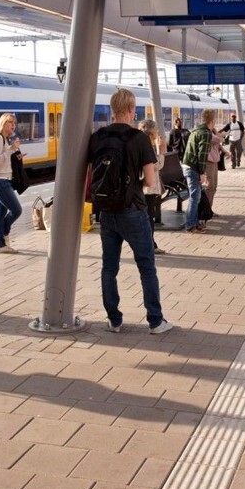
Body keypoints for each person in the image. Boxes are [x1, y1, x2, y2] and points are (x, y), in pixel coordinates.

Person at [88, 89, 172, 334]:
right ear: (131, 110)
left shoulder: (98, 137)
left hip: (106, 212)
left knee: (109, 267)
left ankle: (114, 320)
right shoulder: (139, 139)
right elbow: (148, 180)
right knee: (146, 265)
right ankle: (155, 321)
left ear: (113, 109)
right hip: (133, 210)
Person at [0, 114, 24, 253]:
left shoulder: (5, 139)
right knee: (16, 210)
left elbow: (5, 160)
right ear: (3, 123)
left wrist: (15, 155)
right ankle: (4, 233)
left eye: (14, 123)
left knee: (0, 213)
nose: (13, 126)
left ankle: (0, 245)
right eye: (10, 123)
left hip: (4, 180)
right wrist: (11, 149)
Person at [181, 109, 215, 234]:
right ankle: (190, 226)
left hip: (188, 166)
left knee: (196, 196)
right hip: (193, 168)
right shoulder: (205, 133)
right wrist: (202, 173)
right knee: (195, 197)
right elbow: (202, 155)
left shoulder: (196, 130)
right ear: (212, 121)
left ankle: (194, 223)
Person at [139, 117, 166, 255]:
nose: (157, 134)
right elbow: (155, 165)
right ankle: (150, 246)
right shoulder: (146, 146)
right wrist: (161, 151)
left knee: (148, 217)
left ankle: (150, 244)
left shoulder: (142, 144)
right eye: (155, 131)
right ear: (151, 133)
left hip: (146, 188)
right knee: (148, 218)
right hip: (148, 189)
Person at [204, 126, 224, 213]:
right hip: (208, 162)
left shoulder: (213, 132)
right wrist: (219, 136)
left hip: (214, 162)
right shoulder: (206, 133)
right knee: (209, 187)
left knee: (214, 187)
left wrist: (225, 152)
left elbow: (218, 144)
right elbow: (219, 139)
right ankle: (206, 211)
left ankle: (209, 209)